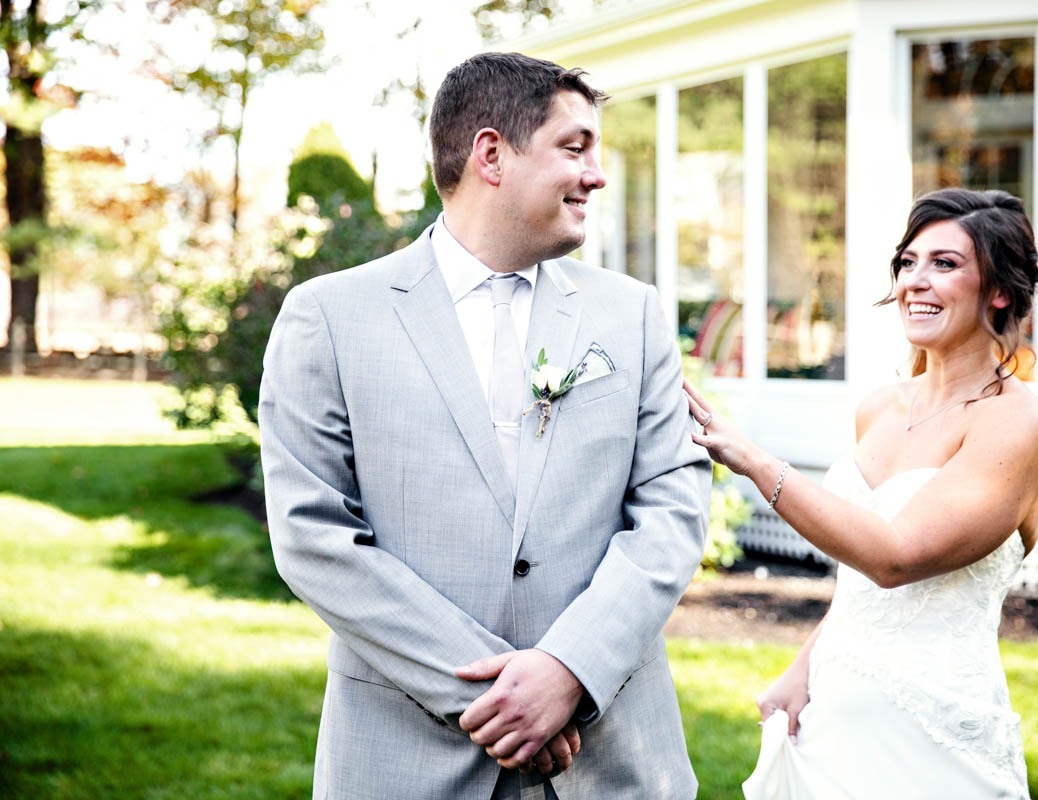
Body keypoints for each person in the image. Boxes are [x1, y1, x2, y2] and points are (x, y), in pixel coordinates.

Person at [259, 51, 710, 800]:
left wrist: (570, 668)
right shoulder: (331, 318)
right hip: (405, 757)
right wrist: (498, 698)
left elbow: (674, 506)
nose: (596, 175)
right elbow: (313, 536)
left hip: (610, 761)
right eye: (575, 148)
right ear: (492, 154)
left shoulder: (632, 315)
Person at [686, 188, 1038, 799]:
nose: (915, 280)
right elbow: (859, 588)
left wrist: (757, 463)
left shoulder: (1017, 425)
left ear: (999, 290)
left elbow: (894, 558)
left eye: (944, 263)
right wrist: (801, 669)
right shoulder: (878, 408)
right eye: (907, 262)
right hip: (834, 722)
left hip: (935, 738)